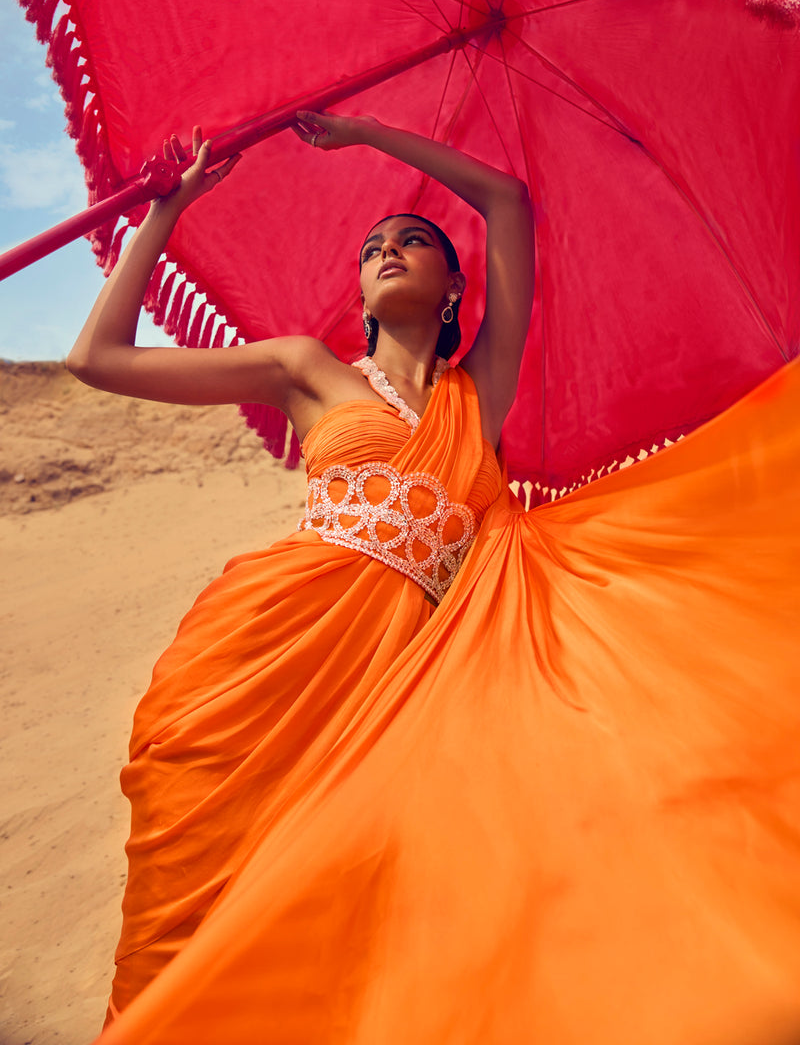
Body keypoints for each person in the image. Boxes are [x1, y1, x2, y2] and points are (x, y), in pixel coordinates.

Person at [67, 114, 800, 1045]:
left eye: (413, 241)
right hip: (265, 657)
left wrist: (371, 135)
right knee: (203, 890)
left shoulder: (478, 391)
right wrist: (163, 218)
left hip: (412, 679)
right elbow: (97, 360)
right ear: (362, 295)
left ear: (455, 284)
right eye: (373, 247)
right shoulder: (307, 370)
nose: (388, 250)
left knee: (362, 895)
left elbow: (507, 201)